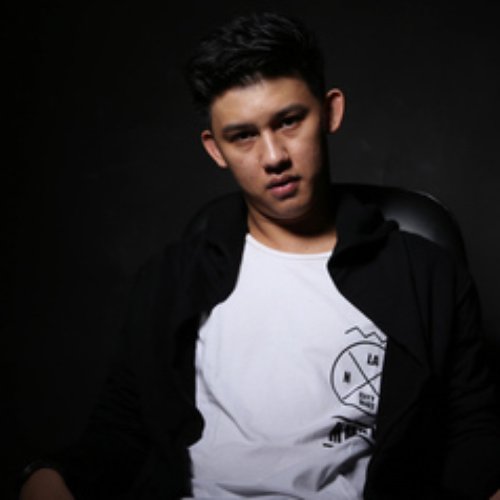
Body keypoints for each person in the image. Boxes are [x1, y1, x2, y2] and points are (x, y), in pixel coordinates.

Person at [18, 11, 500, 500]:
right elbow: (120, 430)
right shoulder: (172, 279)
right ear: (215, 149)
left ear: (329, 112)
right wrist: (46, 476)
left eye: (289, 121)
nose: (273, 157)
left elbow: (473, 438)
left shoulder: (425, 276)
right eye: (243, 136)